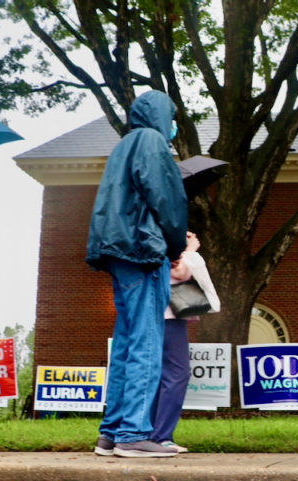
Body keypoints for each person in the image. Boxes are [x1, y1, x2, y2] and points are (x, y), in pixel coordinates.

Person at [87, 89, 188, 458]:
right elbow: (167, 200)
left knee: (128, 344)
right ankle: (133, 433)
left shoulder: (124, 145)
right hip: (142, 250)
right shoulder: (152, 141)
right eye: (172, 117)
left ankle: (111, 433)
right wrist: (176, 245)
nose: (174, 125)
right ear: (161, 116)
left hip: (118, 251)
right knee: (146, 341)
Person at [149, 231, 212, 453]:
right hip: (170, 315)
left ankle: (151, 433)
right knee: (177, 373)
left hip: (152, 313)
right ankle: (161, 436)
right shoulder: (167, 242)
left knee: (158, 375)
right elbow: (180, 273)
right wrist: (190, 250)